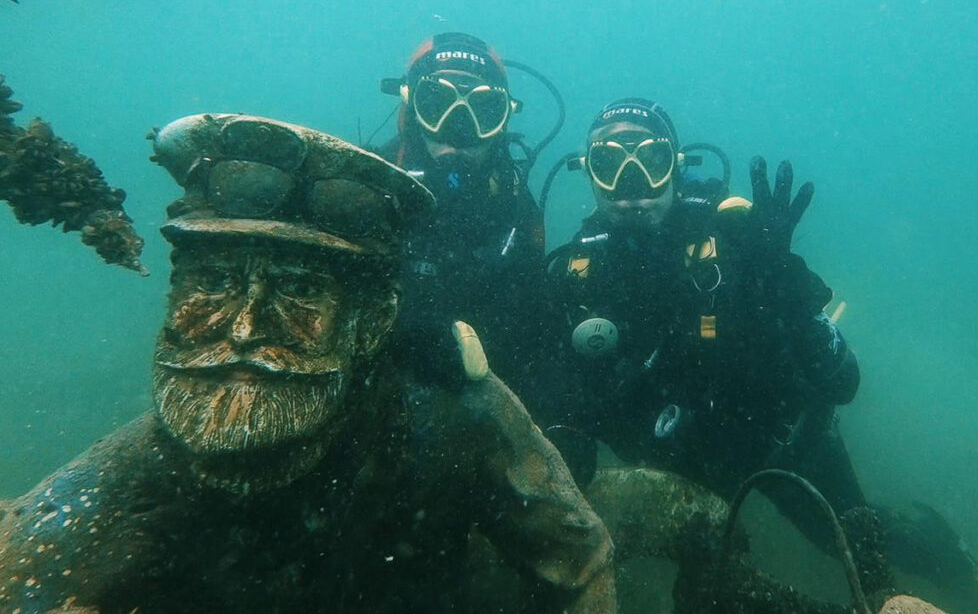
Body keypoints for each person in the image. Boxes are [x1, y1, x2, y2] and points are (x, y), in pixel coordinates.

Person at [0, 113, 616, 614]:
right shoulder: (131, 479)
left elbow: (579, 558)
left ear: (373, 318)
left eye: (298, 291)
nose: (242, 330)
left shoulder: (451, 416)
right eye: (211, 284)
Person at [536, 98, 978, 614]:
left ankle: (953, 559)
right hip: (682, 461)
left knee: (850, 542)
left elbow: (845, 383)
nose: (632, 187)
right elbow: (573, 394)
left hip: (782, 438)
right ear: (589, 174)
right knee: (704, 579)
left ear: (676, 165)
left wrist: (785, 291)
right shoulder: (577, 273)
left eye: (649, 162)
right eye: (610, 165)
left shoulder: (740, 240)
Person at [376, 32, 547, 388]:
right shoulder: (366, 186)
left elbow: (531, 332)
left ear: (503, 120)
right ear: (410, 108)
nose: (457, 128)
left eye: (483, 109)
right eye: (436, 103)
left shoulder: (517, 211)